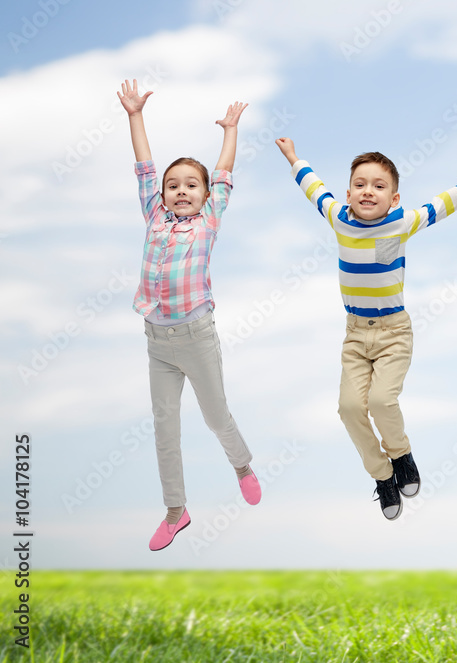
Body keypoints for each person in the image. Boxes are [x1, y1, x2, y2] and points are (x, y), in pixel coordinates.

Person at [275, 136, 457, 520]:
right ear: (348, 194)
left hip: (394, 332)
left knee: (381, 401)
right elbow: (314, 188)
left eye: (379, 187)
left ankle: (401, 455)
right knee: (349, 408)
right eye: (360, 185)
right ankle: (382, 476)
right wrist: (294, 158)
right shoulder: (338, 217)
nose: (368, 192)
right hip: (355, 335)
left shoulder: (402, 222)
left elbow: (441, 205)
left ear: (394, 198)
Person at [117, 79, 259, 551]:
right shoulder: (154, 216)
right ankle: (176, 511)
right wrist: (135, 115)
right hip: (156, 340)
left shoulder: (210, 219)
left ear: (204, 195)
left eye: (190, 186)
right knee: (165, 428)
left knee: (216, 417)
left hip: (196, 336)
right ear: (161, 195)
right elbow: (143, 166)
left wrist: (230, 130)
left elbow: (223, 171)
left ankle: (241, 465)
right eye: (172, 186)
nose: (181, 191)